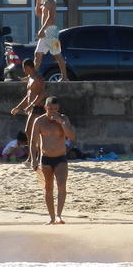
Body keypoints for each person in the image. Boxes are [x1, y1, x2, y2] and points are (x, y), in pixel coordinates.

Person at [28, 96, 76, 224]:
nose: (52, 111)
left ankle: (59, 215)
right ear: (45, 107)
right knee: (48, 189)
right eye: (50, 108)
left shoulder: (64, 119)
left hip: (60, 158)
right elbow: (33, 142)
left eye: (55, 108)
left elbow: (71, 137)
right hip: (45, 159)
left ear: (58, 108)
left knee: (61, 186)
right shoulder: (39, 121)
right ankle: (52, 217)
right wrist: (33, 159)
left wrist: (61, 122)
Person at [33, 0, 68, 81]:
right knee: (37, 54)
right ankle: (33, 76)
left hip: (51, 31)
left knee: (57, 55)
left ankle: (64, 77)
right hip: (45, 31)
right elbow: (38, 13)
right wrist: (38, 0)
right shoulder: (45, 2)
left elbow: (50, 18)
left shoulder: (50, 2)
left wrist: (42, 29)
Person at [10, 58, 46, 141]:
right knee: (31, 132)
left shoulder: (38, 78)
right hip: (32, 108)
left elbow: (42, 94)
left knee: (31, 131)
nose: (24, 70)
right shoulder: (30, 78)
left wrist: (31, 105)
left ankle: (34, 152)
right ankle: (33, 153)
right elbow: (28, 96)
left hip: (38, 108)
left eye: (24, 68)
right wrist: (18, 107)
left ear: (29, 68)